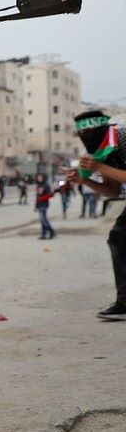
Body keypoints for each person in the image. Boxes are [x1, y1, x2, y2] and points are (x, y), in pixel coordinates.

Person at [66, 110, 126, 319]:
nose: (87, 136)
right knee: (119, 237)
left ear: (103, 128)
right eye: (83, 133)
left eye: (91, 131)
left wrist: (98, 166)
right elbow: (113, 190)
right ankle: (124, 302)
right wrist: (85, 181)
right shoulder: (103, 151)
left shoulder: (122, 138)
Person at [35, 173, 56, 240]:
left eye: (41, 177)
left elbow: (50, 195)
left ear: (43, 178)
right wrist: (36, 206)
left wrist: (42, 198)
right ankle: (44, 234)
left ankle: (51, 231)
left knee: (43, 219)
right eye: (38, 177)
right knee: (43, 220)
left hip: (44, 204)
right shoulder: (38, 186)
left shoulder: (46, 185)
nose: (39, 179)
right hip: (39, 204)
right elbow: (37, 197)